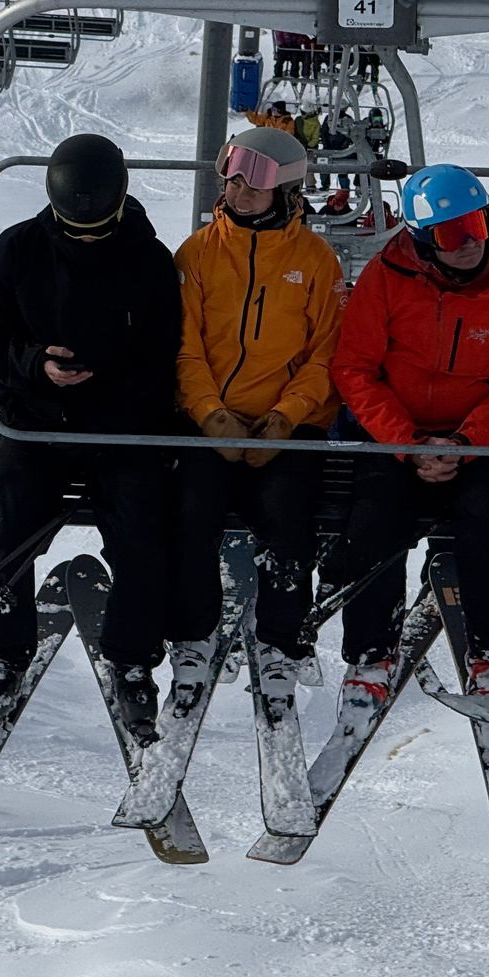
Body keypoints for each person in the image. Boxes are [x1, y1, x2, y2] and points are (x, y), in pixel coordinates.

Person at [0, 134, 181, 735]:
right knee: (6, 521)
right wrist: (38, 365)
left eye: (98, 229)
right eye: (74, 228)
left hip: (122, 427)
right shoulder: (17, 253)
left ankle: (133, 658)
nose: (86, 237)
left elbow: (165, 354)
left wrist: (108, 376)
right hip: (37, 424)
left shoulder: (148, 260)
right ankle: (3, 655)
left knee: (143, 528)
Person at [330, 164, 489, 704]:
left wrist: (464, 442)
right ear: (424, 241)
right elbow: (355, 369)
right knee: (376, 516)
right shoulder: (386, 280)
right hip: (397, 436)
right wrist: (406, 441)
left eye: (477, 225)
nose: (469, 243)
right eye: (452, 235)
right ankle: (369, 654)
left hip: (481, 439)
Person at [163, 127, 346, 727]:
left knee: (289, 519)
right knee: (191, 512)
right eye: (235, 175)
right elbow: (184, 346)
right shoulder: (196, 255)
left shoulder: (315, 263)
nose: (240, 191)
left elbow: (326, 355)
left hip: (284, 425)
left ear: (287, 192)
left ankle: (279, 643)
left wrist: (285, 418)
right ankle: (193, 634)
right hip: (209, 419)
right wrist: (210, 414)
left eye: (257, 181)